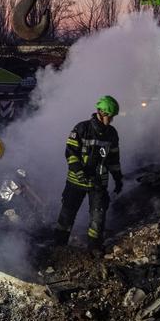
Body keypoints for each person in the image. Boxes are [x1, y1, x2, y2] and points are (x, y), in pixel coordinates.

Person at [54, 95, 123, 252]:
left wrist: (118, 178)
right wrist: (79, 171)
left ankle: (94, 248)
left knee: (98, 218)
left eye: (112, 117)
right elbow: (70, 153)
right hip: (76, 182)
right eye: (109, 116)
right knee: (67, 215)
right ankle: (58, 247)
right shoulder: (81, 129)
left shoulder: (112, 133)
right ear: (100, 112)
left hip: (98, 184)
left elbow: (113, 159)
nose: (111, 120)